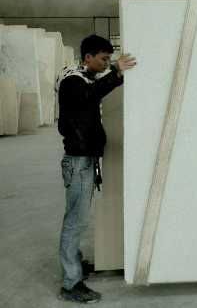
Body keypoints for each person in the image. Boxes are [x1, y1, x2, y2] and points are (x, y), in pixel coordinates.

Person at [57, 35, 136, 304]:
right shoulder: (73, 81)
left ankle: (75, 265)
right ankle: (71, 283)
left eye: (108, 59)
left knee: (78, 219)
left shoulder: (84, 77)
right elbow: (89, 94)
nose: (106, 63)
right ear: (88, 57)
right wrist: (116, 73)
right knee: (75, 221)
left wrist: (116, 73)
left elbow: (94, 90)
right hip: (78, 162)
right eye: (103, 59)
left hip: (84, 160)